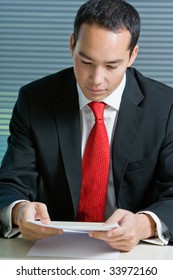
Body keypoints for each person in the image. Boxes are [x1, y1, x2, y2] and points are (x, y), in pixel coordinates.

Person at [0, 0, 173, 252]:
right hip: (51, 251)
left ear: (132, 55)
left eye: (112, 65)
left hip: (136, 255)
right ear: (72, 45)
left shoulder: (165, 107)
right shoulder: (34, 100)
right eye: (86, 62)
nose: (96, 80)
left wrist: (144, 224)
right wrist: (18, 211)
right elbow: (10, 183)